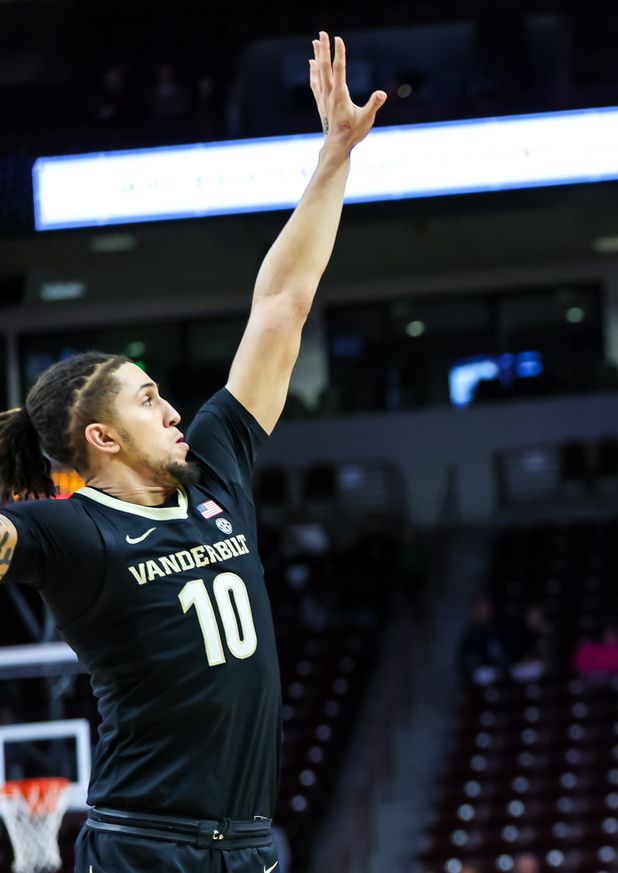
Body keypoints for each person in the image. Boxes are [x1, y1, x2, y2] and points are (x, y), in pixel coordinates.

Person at [0, 33, 385, 873]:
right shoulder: (73, 534)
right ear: (99, 437)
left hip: (245, 845)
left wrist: (335, 158)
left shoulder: (216, 464)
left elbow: (281, 303)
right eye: (146, 400)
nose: (172, 406)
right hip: (144, 845)